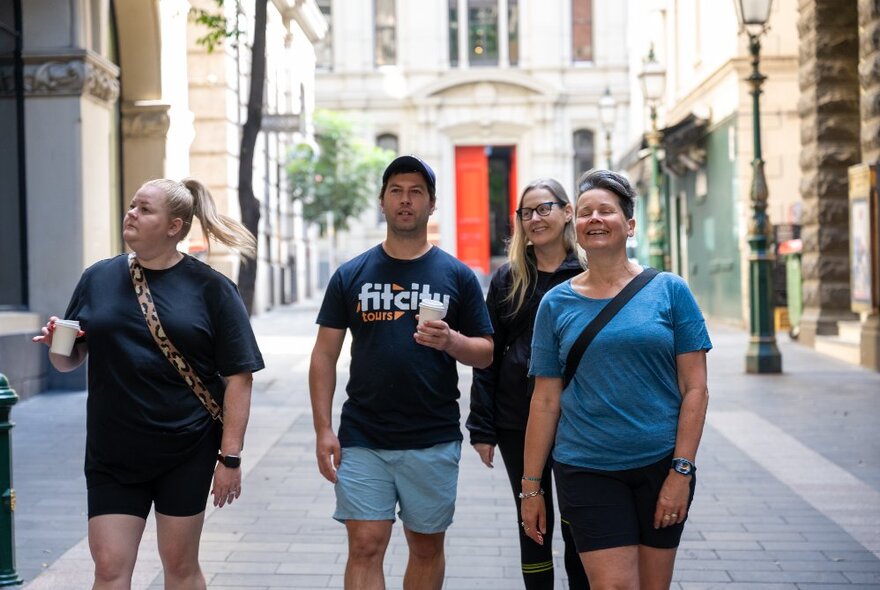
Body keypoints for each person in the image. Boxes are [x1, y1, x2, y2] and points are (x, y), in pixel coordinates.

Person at [33, 178, 264, 590]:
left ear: (174, 226)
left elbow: (238, 379)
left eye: (144, 209)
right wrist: (58, 343)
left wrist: (230, 458)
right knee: (109, 570)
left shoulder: (212, 289)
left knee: (180, 568)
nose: (131, 214)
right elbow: (68, 360)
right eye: (132, 206)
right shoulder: (97, 278)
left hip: (186, 447)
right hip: (113, 450)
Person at [309, 154, 495, 590]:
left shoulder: (457, 275)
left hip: (431, 435)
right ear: (382, 202)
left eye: (416, 192)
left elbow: (485, 354)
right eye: (396, 191)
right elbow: (323, 356)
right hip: (363, 435)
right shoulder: (351, 274)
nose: (405, 200)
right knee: (365, 545)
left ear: (432, 205)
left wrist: (451, 341)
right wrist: (323, 429)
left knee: (426, 546)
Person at [520, 169, 711, 589]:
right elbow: (545, 401)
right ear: (576, 225)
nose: (594, 219)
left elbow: (695, 387)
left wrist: (682, 470)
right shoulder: (556, 303)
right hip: (586, 467)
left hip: (661, 464)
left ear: (629, 225)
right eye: (585, 212)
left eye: (606, 211)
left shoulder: (670, 291)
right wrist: (531, 488)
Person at [466, 178, 589, 589]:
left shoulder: (590, 273)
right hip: (517, 420)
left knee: (579, 525)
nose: (535, 219)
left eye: (544, 208)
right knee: (533, 522)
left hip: (580, 421)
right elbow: (487, 356)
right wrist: (482, 427)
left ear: (567, 212)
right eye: (526, 212)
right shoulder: (508, 279)